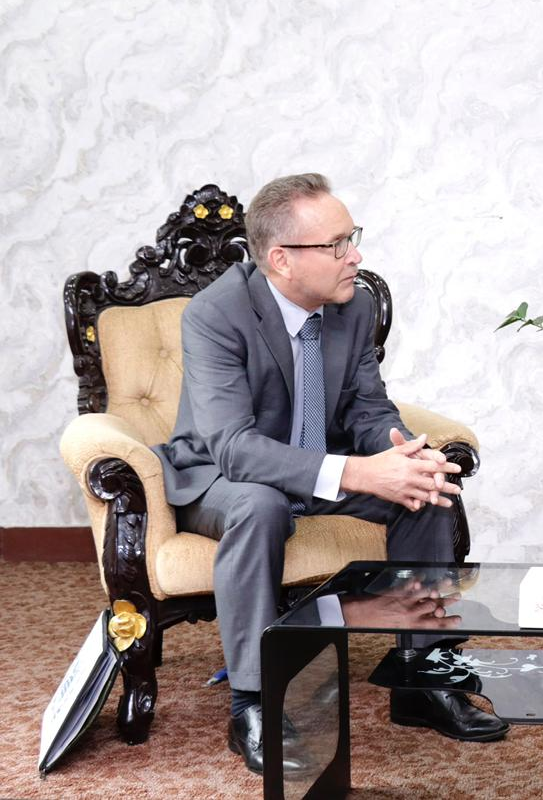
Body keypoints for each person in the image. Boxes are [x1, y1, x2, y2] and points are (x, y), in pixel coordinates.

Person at [153, 173, 509, 776]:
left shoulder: (354, 304)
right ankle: (253, 705)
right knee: (260, 504)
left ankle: (423, 678)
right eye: (338, 244)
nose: (355, 256)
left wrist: (401, 454)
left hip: (318, 468)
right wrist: (358, 473)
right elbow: (234, 448)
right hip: (221, 478)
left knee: (428, 489)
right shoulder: (216, 314)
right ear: (281, 259)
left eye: (353, 238)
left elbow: (367, 408)